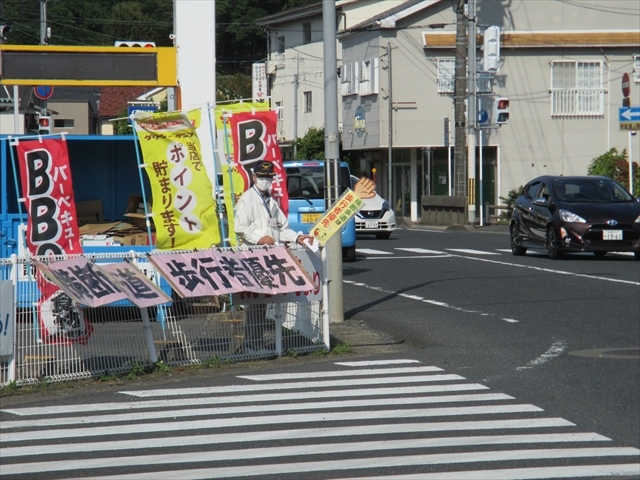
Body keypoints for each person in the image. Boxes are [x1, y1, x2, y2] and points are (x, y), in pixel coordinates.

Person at [234, 160, 314, 351]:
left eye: (268, 177)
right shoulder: (247, 200)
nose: (265, 180)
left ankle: (256, 343)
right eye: (261, 177)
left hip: (269, 259)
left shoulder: (271, 201)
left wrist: (298, 237)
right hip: (253, 257)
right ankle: (251, 345)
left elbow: (282, 228)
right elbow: (240, 228)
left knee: (262, 304)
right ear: (254, 177)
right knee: (254, 304)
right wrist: (259, 238)